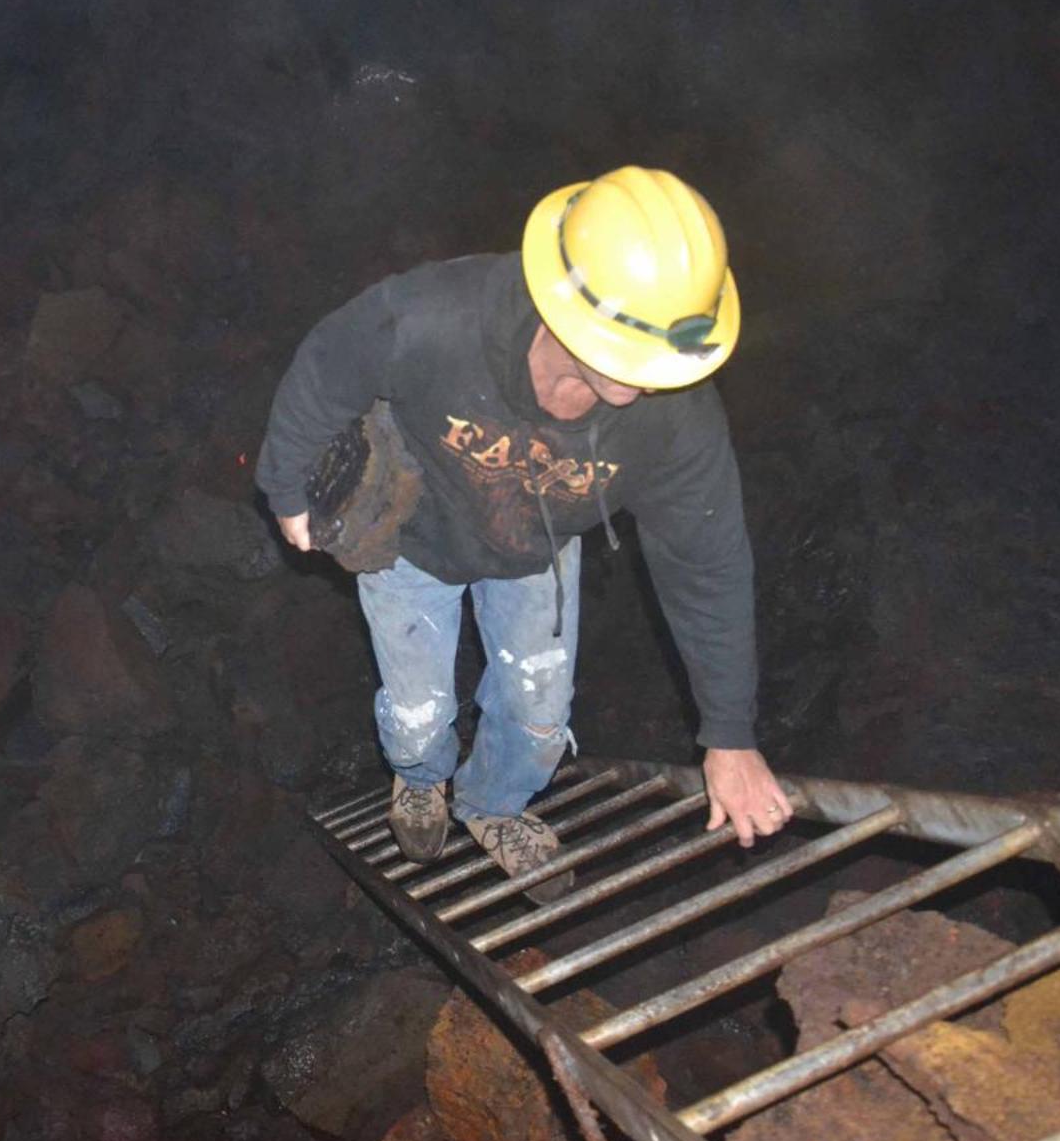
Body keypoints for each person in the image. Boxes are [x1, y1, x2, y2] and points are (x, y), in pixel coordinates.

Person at [255, 165, 791, 898]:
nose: (645, 382)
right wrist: (286, 485)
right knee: (417, 718)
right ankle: (420, 777)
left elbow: (709, 563)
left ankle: (491, 804)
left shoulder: (675, 418)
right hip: (412, 536)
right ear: (564, 302)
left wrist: (728, 732)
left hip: (536, 545)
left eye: (661, 359)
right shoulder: (438, 316)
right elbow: (330, 362)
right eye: (628, 351)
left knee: (540, 719)